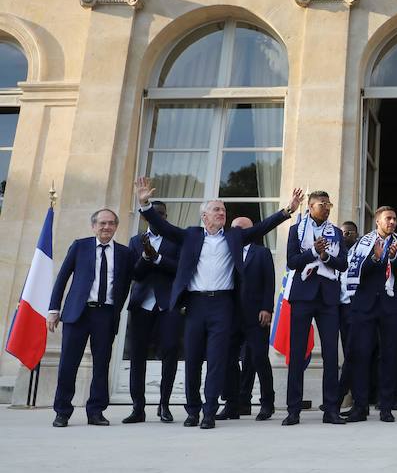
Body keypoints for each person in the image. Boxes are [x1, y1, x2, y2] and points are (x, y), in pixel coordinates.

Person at [134, 177, 303, 429]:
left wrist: (288, 210)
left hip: (223, 305)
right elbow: (165, 227)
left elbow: (262, 228)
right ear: (204, 216)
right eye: (216, 209)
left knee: (217, 359)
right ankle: (192, 410)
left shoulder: (234, 237)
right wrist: (145, 204)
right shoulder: (191, 235)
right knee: (192, 358)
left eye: (223, 210)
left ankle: (209, 411)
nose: (222, 212)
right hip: (195, 305)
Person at [48, 209, 135, 427]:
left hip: (105, 315)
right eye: (102, 223)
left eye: (111, 223)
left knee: (101, 365)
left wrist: (115, 310)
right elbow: (62, 278)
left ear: (116, 227)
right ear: (93, 226)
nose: (106, 227)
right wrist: (53, 309)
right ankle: (62, 412)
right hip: (77, 313)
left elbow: (123, 286)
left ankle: (96, 411)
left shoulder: (124, 253)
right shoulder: (80, 246)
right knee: (68, 364)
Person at [283, 191, 348, 426]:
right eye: (323, 204)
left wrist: (324, 255)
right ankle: (293, 410)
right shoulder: (296, 230)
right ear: (310, 206)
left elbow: (343, 263)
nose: (328, 208)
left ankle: (331, 409)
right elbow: (291, 261)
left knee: (331, 354)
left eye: (329, 204)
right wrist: (312, 252)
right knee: (297, 352)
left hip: (328, 298)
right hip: (303, 295)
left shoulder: (337, 233)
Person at [345, 206, 397, 422]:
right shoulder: (364, 242)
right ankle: (360, 407)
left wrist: (393, 260)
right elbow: (355, 272)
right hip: (364, 305)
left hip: (390, 305)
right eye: (388, 219)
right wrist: (375, 259)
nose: (392, 222)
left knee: (389, 357)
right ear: (377, 222)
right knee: (361, 355)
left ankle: (386, 407)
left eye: (394, 218)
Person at [123, 201, 181, 424]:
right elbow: (135, 274)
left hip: (168, 305)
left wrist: (158, 258)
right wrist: (146, 257)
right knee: (137, 356)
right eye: (155, 215)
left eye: (163, 215)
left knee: (170, 352)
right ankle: (138, 407)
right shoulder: (136, 241)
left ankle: (164, 405)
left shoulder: (175, 239)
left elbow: (180, 268)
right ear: (146, 217)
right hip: (141, 305)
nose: (159, 218)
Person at [217, 217, 277, 422]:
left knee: (259, 358)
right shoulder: (225, 251)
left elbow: (269, 282)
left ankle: (267, 403)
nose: (236, 232)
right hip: (230, 315)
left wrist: (267, 308)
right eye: (233, 228)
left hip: (256, 314)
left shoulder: (262, 253)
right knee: (228, 360)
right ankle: (232, 404)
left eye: (241, 229)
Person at [337, 220, 359, 408]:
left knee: (352, 352)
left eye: (348, 233)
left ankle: (339, 396)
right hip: (335, 308)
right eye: (342, 233)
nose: (344, 236)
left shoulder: (360, 253)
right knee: (346, 352)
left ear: (355, 235)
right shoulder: (336, 253)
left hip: (353, 308)